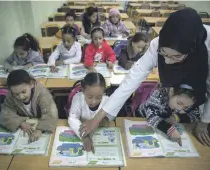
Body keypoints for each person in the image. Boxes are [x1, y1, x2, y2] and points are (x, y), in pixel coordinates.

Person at [79, 8, 210, 147]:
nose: (167, 62)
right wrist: (98, 118)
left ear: (191, 50)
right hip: (173, 100)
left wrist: (204, 122)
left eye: (176, 56)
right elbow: (130, 82)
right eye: (163, 54)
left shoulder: (205, 47)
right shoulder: (158, 44)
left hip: (197, 104)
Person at [0, 70, 58, 142]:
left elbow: (51, 113)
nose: (21, 97)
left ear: (31, 84)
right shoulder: (10, 95)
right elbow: (5, 113)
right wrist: (20, 122)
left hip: (40, 124)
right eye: (16, 94)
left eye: (24, 92)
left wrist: (40, 130)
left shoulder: (42, 93)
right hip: (25, 126)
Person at [68, 72, 114, 153]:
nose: (93, 101)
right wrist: (84, 136)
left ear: (104, 92)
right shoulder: (78, 98)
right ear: (83, 91)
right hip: (82, 129)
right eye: (89, 97)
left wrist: (106, 119)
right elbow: (73, 119)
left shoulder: (107, 101)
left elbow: (111, 115)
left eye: (99, 97)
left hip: (99, 134)